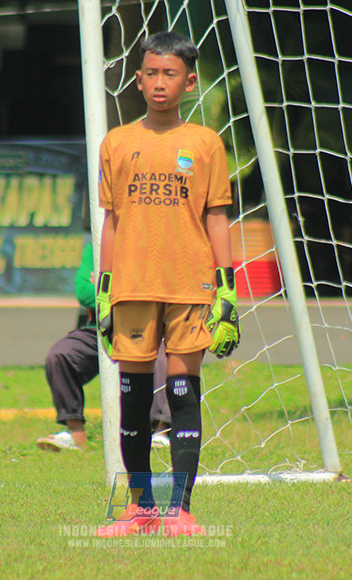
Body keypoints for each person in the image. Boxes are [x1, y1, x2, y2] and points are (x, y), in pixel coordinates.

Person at [93, 31, 239, 539]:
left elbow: (217, 217)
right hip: (131, 287)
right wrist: (104, 286)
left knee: (182, 395)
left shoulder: (205, 143)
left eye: (170, 74)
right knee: (132, 400)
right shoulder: (116, 143)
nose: (159, 83)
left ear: (190, 81)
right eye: (151, 73)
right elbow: (111, 221)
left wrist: (226, 288)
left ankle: (181, 509)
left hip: (190, 287)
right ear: (137, 79)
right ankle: (140, 509)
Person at [36, 241, 171, 451]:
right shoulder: (95, 246)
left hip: (148, 324)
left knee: (168, 356)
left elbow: (159, 288)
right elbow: (84, 292)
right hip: (102, 326)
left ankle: (161, 433)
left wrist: (106, 287)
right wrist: (130, 287)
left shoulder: (152, 241)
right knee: (60, 356)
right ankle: (75, 434)